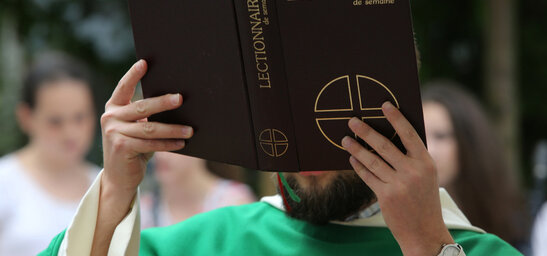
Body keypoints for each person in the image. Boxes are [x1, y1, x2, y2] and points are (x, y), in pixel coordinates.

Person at [41, 60, 521, 255]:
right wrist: (115, 187)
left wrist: (429, 246)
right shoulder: (204, 245)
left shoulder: (469, 249)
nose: (302, 155)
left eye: (331, 126)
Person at [0, 52, 100, 256]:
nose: (71, 133)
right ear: (26, 117)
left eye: (80, 117)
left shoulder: (107, 184)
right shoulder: (4, 182)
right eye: (56, 121)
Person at [422, 81, 529, 250]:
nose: (428, 149)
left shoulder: (516, 221)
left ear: (470, 143)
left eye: (441, 136)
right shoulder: (393, 222)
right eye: (419, 136)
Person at [140, 151, 256, 228]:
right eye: (156, 144)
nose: (161, 155)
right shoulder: (143, 209)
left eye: (173, 145)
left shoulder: (234, 202)